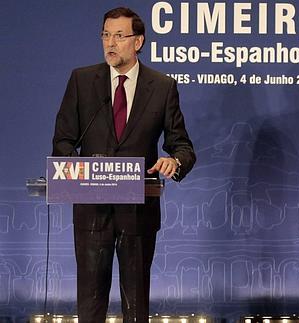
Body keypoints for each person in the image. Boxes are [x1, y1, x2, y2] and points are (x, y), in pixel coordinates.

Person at [52, 7, 196, 322]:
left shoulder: (161, 87)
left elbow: (183, 146)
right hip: (92, 211)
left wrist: (174, 161)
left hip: (138, 212)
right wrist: (77, 169)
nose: (110, 43)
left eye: (120, 35)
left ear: (138, 41)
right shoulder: (82, 80)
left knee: (136, 306)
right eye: (106, 34)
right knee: (90, 305)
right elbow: (63, 142)